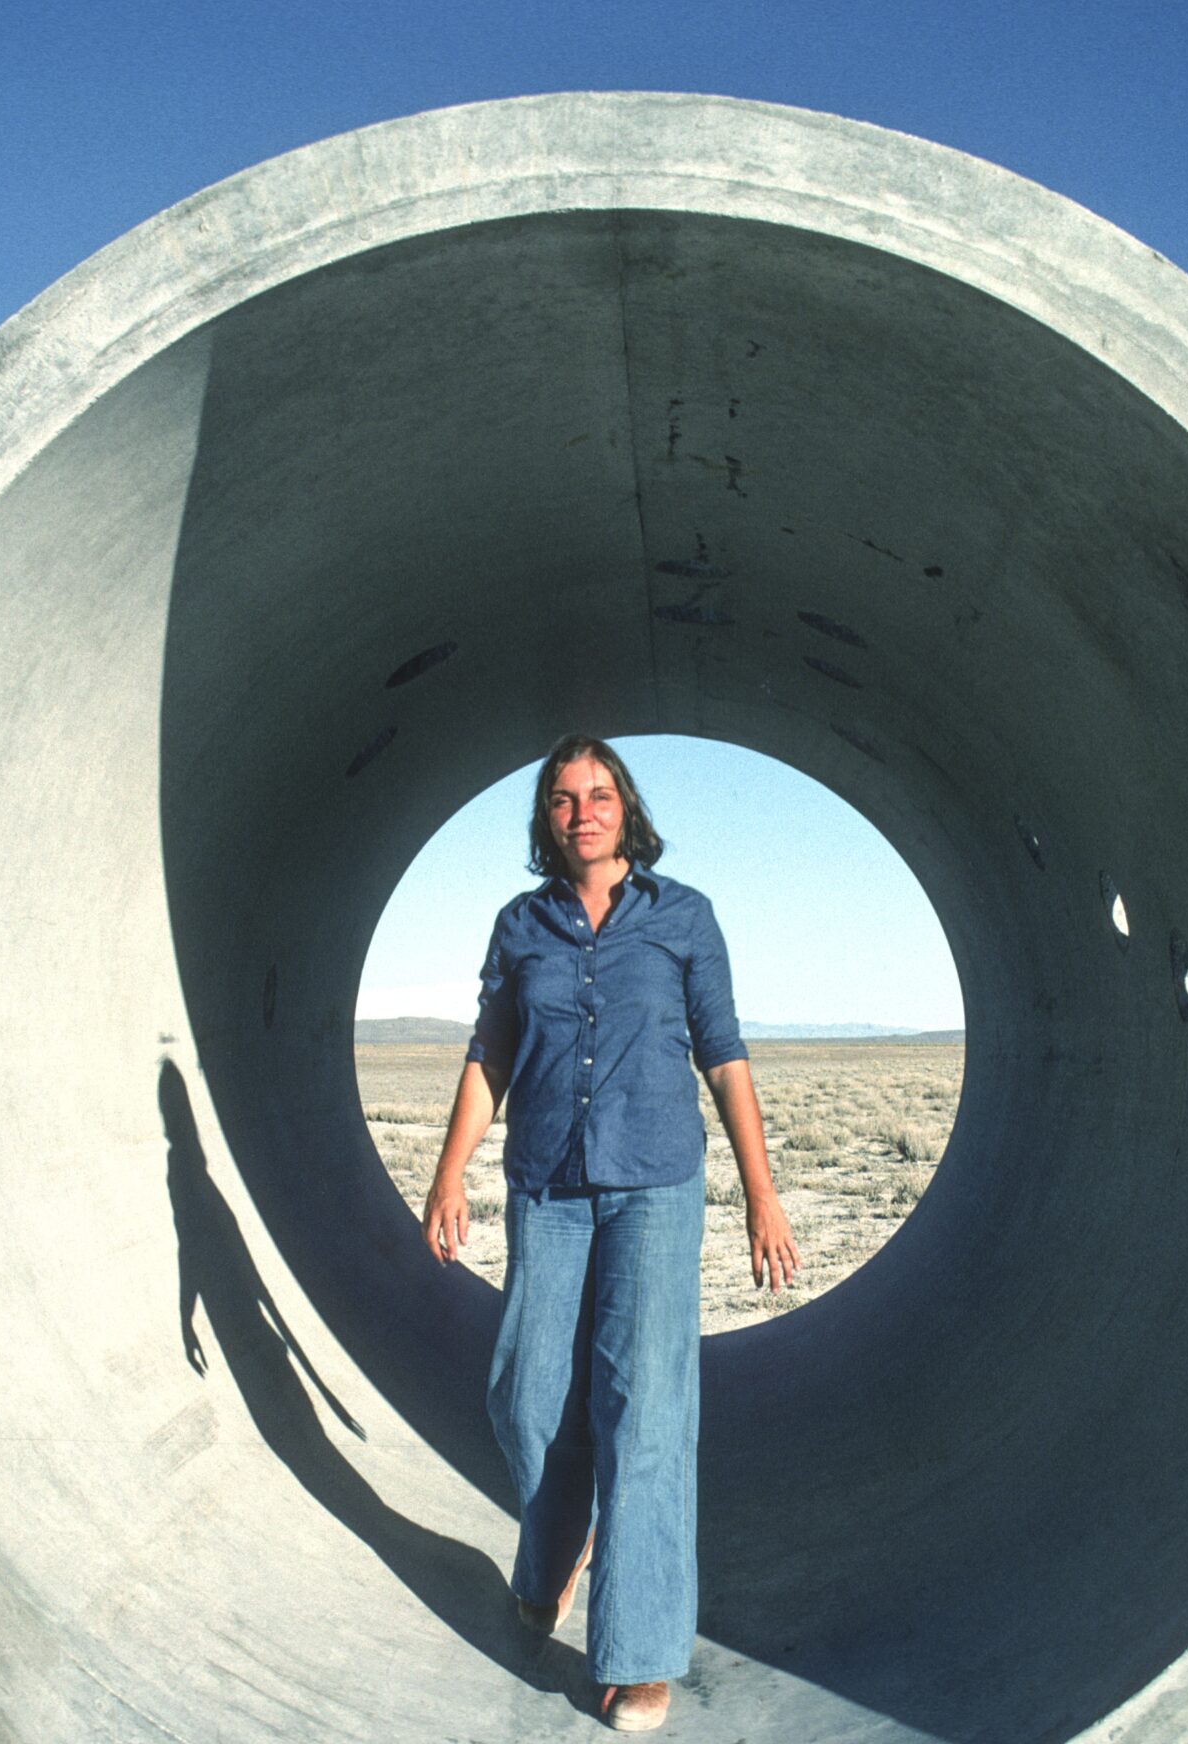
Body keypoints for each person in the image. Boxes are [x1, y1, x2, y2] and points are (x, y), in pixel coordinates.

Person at [421, 734, 800, 1734]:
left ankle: (635, 1652)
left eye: (597, 794)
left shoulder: (683, 918)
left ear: (626, 810)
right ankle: (554, 1551)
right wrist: (447, 1170)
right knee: (526, 1391)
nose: (581, 809)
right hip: (546, 1183)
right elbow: (487, 1057)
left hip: (654, 1189)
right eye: (561, 797)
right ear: (544, 821)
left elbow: (724, 1058)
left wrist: (762, 1195)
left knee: (645, 1410)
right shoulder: (521, 925)